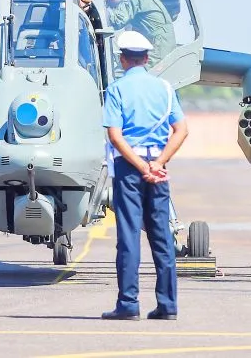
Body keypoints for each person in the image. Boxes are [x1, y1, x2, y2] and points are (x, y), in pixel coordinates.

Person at [100, 30, 188, 321]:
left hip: (130, 167)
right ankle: (168, 304)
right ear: (147, 58)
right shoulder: (164, 88)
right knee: (161, 236)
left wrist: (140, 166)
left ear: (122, 59)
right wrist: (158, 163)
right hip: (158, 167)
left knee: (128, 236)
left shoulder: (116, 89)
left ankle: (128, 303)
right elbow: (181, 130)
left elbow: (115, 136)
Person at [105, 0, 175, 69]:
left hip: (159, 43)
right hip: (158, 41)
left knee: (134, 71)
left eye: (109, 1)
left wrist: (103, 10)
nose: (111, 5)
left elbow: (117, 21)